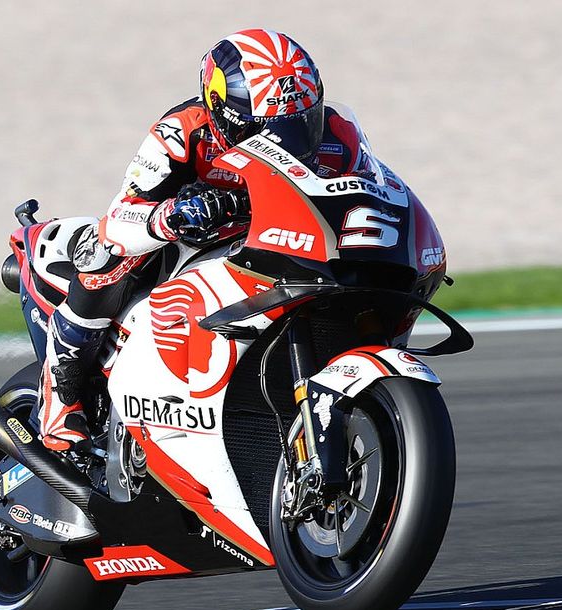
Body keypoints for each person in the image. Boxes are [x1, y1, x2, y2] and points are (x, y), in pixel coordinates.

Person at [37, 28, 369, 451]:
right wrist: (171, 217)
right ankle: (61, 394)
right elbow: (120, 217)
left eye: (301, 124)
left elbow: (363, 191)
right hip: (188, 244)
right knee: (105, 255)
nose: (289, 142)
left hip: (279, 244)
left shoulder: (339, 136)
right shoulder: (182, 131)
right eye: (267, 129)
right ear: (222, 111)